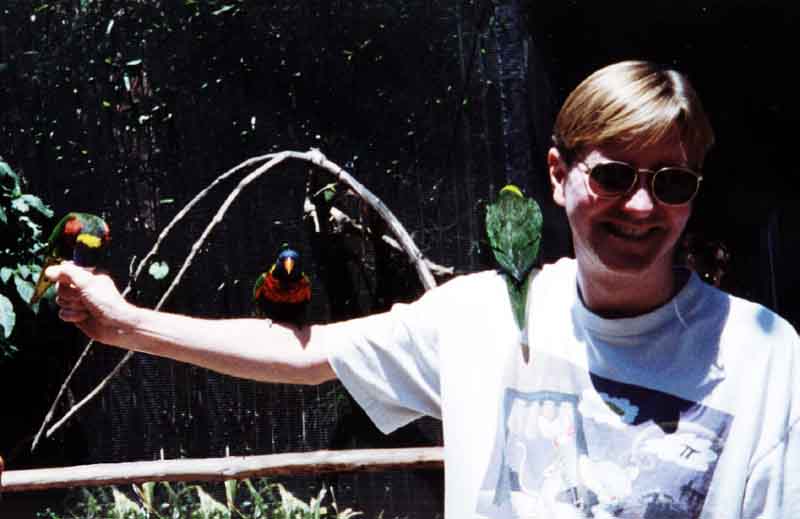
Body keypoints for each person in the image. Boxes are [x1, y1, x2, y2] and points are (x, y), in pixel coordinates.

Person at [48, 60, 799, 518]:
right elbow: (306, 354)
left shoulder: (762, 355)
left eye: (671, 183)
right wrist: (124, 324)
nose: (640, 206)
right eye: (613, 175)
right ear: (557, 173)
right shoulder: (480, 316)